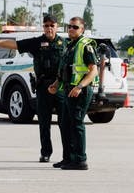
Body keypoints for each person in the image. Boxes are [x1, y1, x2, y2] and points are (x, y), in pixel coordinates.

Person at [0, 14, 66, 163]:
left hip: (60, 87)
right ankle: (46, 152)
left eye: (52, 25)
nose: (49, 28)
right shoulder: (37, 42)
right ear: (43, 27)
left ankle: (67, 155)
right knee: (44, 123)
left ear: (57, 27)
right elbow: (15, 45)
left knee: (64, 123)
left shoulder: (64, 44)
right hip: (43, 87)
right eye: (46, 25)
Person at [48, 16, 98, 170]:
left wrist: (80, 86)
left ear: (82, 29)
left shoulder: (85, 45)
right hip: (69, 89)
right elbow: (65, 70)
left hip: (80, 91)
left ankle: (80, 160)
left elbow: (93, 71)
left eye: (75, 27)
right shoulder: (70, 45)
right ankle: (69, 158)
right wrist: (56, 84)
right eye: (69, 26)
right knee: (66, 124)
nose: (71, 29)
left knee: (76, 124)